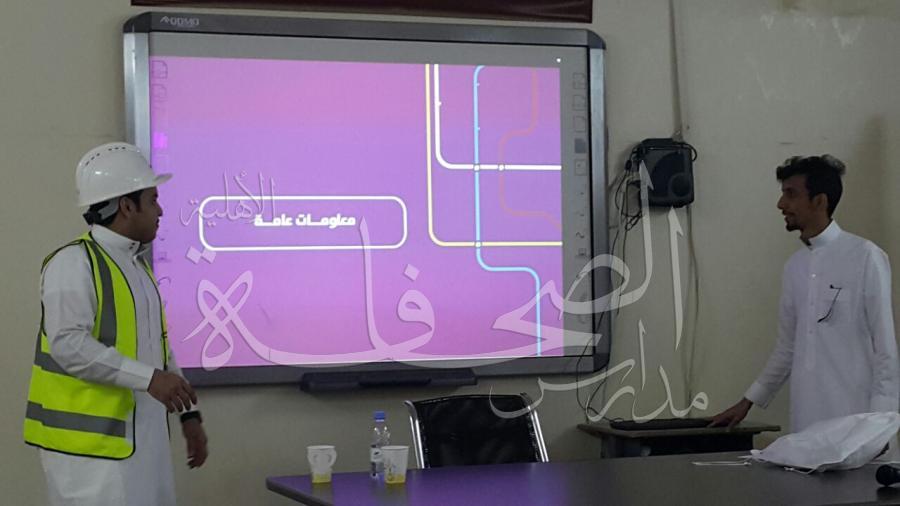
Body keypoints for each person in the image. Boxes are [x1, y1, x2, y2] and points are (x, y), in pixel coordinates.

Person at [24, 142, 208, 506]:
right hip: (90, 459)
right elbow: (68, 346)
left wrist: (190, 416)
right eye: (153, 199)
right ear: (126, 206)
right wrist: (150, 379)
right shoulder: (72, 263)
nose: (160, 210)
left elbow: (159, 347)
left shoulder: (137, 268)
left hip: (143, 447)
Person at [710, 155, 899, 433]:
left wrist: (880, 425)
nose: (781, 204)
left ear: (819, 201)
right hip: (806, 421)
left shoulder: (865, 256)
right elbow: (787, 348)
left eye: (791, 194)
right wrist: (747, 402)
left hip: (856, 422)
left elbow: (885, 349)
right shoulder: (794, 267)